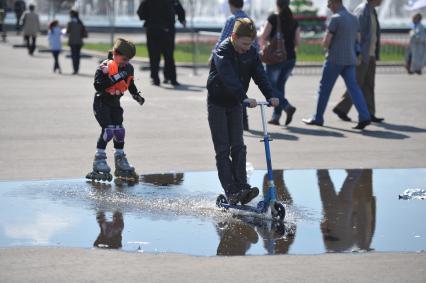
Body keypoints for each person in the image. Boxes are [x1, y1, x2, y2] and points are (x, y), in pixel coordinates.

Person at [207, 18, 279, 205]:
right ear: (234, 37)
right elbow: (228, 77)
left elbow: (260, 75)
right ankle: (231, 191)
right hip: (218, 103)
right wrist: (244, 97)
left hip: (236, 104)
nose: (247, 48)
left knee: (238, 145)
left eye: (251, 44)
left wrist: (270, 95)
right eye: (244, 44)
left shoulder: (251, 53)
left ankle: (242, 187)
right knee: (223, 149)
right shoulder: (222, 51)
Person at [302, 0, 371, 130]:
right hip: (350, 59)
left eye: (329, 4)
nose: (328, 7)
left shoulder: (336, 18)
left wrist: (323, 44)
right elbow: (358, 39)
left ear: (334, 3)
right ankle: (364, 115)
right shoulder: (353, 18)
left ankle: (318, 118)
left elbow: (327, 41)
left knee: (324, 89)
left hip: (334, 60)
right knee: (354, 88)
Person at [86, 38, 145, 182]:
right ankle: (99, 159)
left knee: (119, 130)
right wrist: (116, 77)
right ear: (114, 53)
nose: (126, 62)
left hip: (115, 104)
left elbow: (129, 84)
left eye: (128, 59)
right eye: (124, 59)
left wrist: (136, 95)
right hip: (101, 102)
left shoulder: (127, 68)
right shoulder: (104, 67)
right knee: (108, 130)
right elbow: (98, 86)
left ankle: (120, 159)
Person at [333, 0, 384, 123]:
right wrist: (358, 53)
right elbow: (357, 34)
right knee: (356, 84)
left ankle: (370, 113)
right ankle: (341, 108)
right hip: (363, 55)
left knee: (369, 85)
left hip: (370, 54)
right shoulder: (362, 11)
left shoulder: (372, 11)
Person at [212, 0, 254, 131]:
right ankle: (244, 122)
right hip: (246, 60)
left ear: (230, 5)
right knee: (241, 89)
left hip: (231, 60)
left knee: (232, 89)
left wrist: (213, 56)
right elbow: (254, 42)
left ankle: (235, 122)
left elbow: (222, 40)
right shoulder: (248, 19)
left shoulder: (232, 19)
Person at [258, 0, 300, 127]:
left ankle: (286, 106)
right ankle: (276, 117)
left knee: (270, 86)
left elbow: (263, 37)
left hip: (275, 58)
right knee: (280, 87)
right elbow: (298, 42)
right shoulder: (294, 20)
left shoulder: (273, 18)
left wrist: (263, 47)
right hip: (291, 58)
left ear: (277, 4)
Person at [137, 0, 186, 86]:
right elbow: (141, 12)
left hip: (163, 29)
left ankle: (167, 77)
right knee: (156, 55)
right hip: (156, 29)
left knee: (166, 55)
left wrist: (182, 19)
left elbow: (179, 8)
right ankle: (158, 78)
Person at [66, 9, 87, 75]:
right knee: (78, 56)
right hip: (79, 42)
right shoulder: (80, 22)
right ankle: (77, 69)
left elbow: (67, 31)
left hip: (72, 42)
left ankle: (75, 69)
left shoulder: (70, 23)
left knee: (74, 56)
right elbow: (83, 31)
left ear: (72, 15)